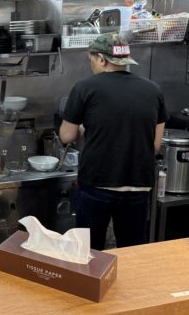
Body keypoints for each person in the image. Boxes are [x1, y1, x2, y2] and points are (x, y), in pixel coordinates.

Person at [59, 32, 168, 250]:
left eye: (91, 60)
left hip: (96, 184)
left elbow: (67, 136)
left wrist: (83, 128)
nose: (91, 66)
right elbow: (155, 146)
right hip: (138, 187)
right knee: (133, 252)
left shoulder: (85, 88)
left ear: (101, 59)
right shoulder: (153, 90)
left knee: (89, 253)